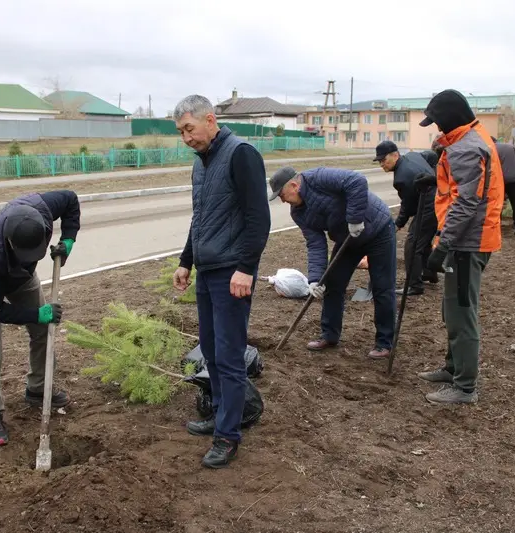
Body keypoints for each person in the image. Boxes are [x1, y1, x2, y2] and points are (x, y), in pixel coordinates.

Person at [171, 94, 271, 469]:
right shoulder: (202, 163)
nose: (185, 139)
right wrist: (186, 260)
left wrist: (246, 267)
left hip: (233, 272)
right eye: (180, 132)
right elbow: (201, 219)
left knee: (229, 356)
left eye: (189, 129)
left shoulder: (241, 153)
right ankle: (218, 412)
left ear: (210, 120)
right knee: (210, 351)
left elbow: (258, 218)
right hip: (208, 271)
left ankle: (228, 436)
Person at [0, 191, 80, 446]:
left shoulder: (41, 208)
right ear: (11, 242)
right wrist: (34, 314)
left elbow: (71, 200)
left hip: (20, 277)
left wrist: (68, 238)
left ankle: (37, 389)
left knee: (44, 330)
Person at [415, 89, 504, 405]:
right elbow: (463, 187)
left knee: (462, 312)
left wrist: (442, 246)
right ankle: (453, 368)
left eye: (438, 123)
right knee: (452, 307)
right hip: (472, 238)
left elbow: (466, 202)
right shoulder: (472, 137)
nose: (437, 130)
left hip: (468, 243)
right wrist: (435, 178)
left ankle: (465, 386)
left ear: (451, 120)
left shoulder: (466, 148)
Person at [269, 165, 396, 359]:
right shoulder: (298, 213)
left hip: (377, 229)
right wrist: (314, 279)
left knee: (382, 286)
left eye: (282, 195)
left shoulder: (318, 178)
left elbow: (357, 181)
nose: (282, 200)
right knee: (332, 283)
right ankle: (329, 335)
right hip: (347, 239)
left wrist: (354, 219)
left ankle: (384, 343)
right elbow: (315, 244)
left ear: (294, 185)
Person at [374, 140, 438, 295]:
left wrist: (398, 224)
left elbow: (407, 206)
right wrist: (434, 172)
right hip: (438, 200)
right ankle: (429, 273)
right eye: (380, 161)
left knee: (413, 244)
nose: (382, 164)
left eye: (384, 160)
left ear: (395, 155)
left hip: (430, 206)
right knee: (423, 239)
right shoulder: (413, 155)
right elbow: (430, 155)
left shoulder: (402, 177)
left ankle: (414, 285)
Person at [492, 137, 515, 236]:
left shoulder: (492, 148)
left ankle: (496, 229)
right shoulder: (510, 147)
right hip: (514, 179)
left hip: (501, 181)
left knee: (497, 204)